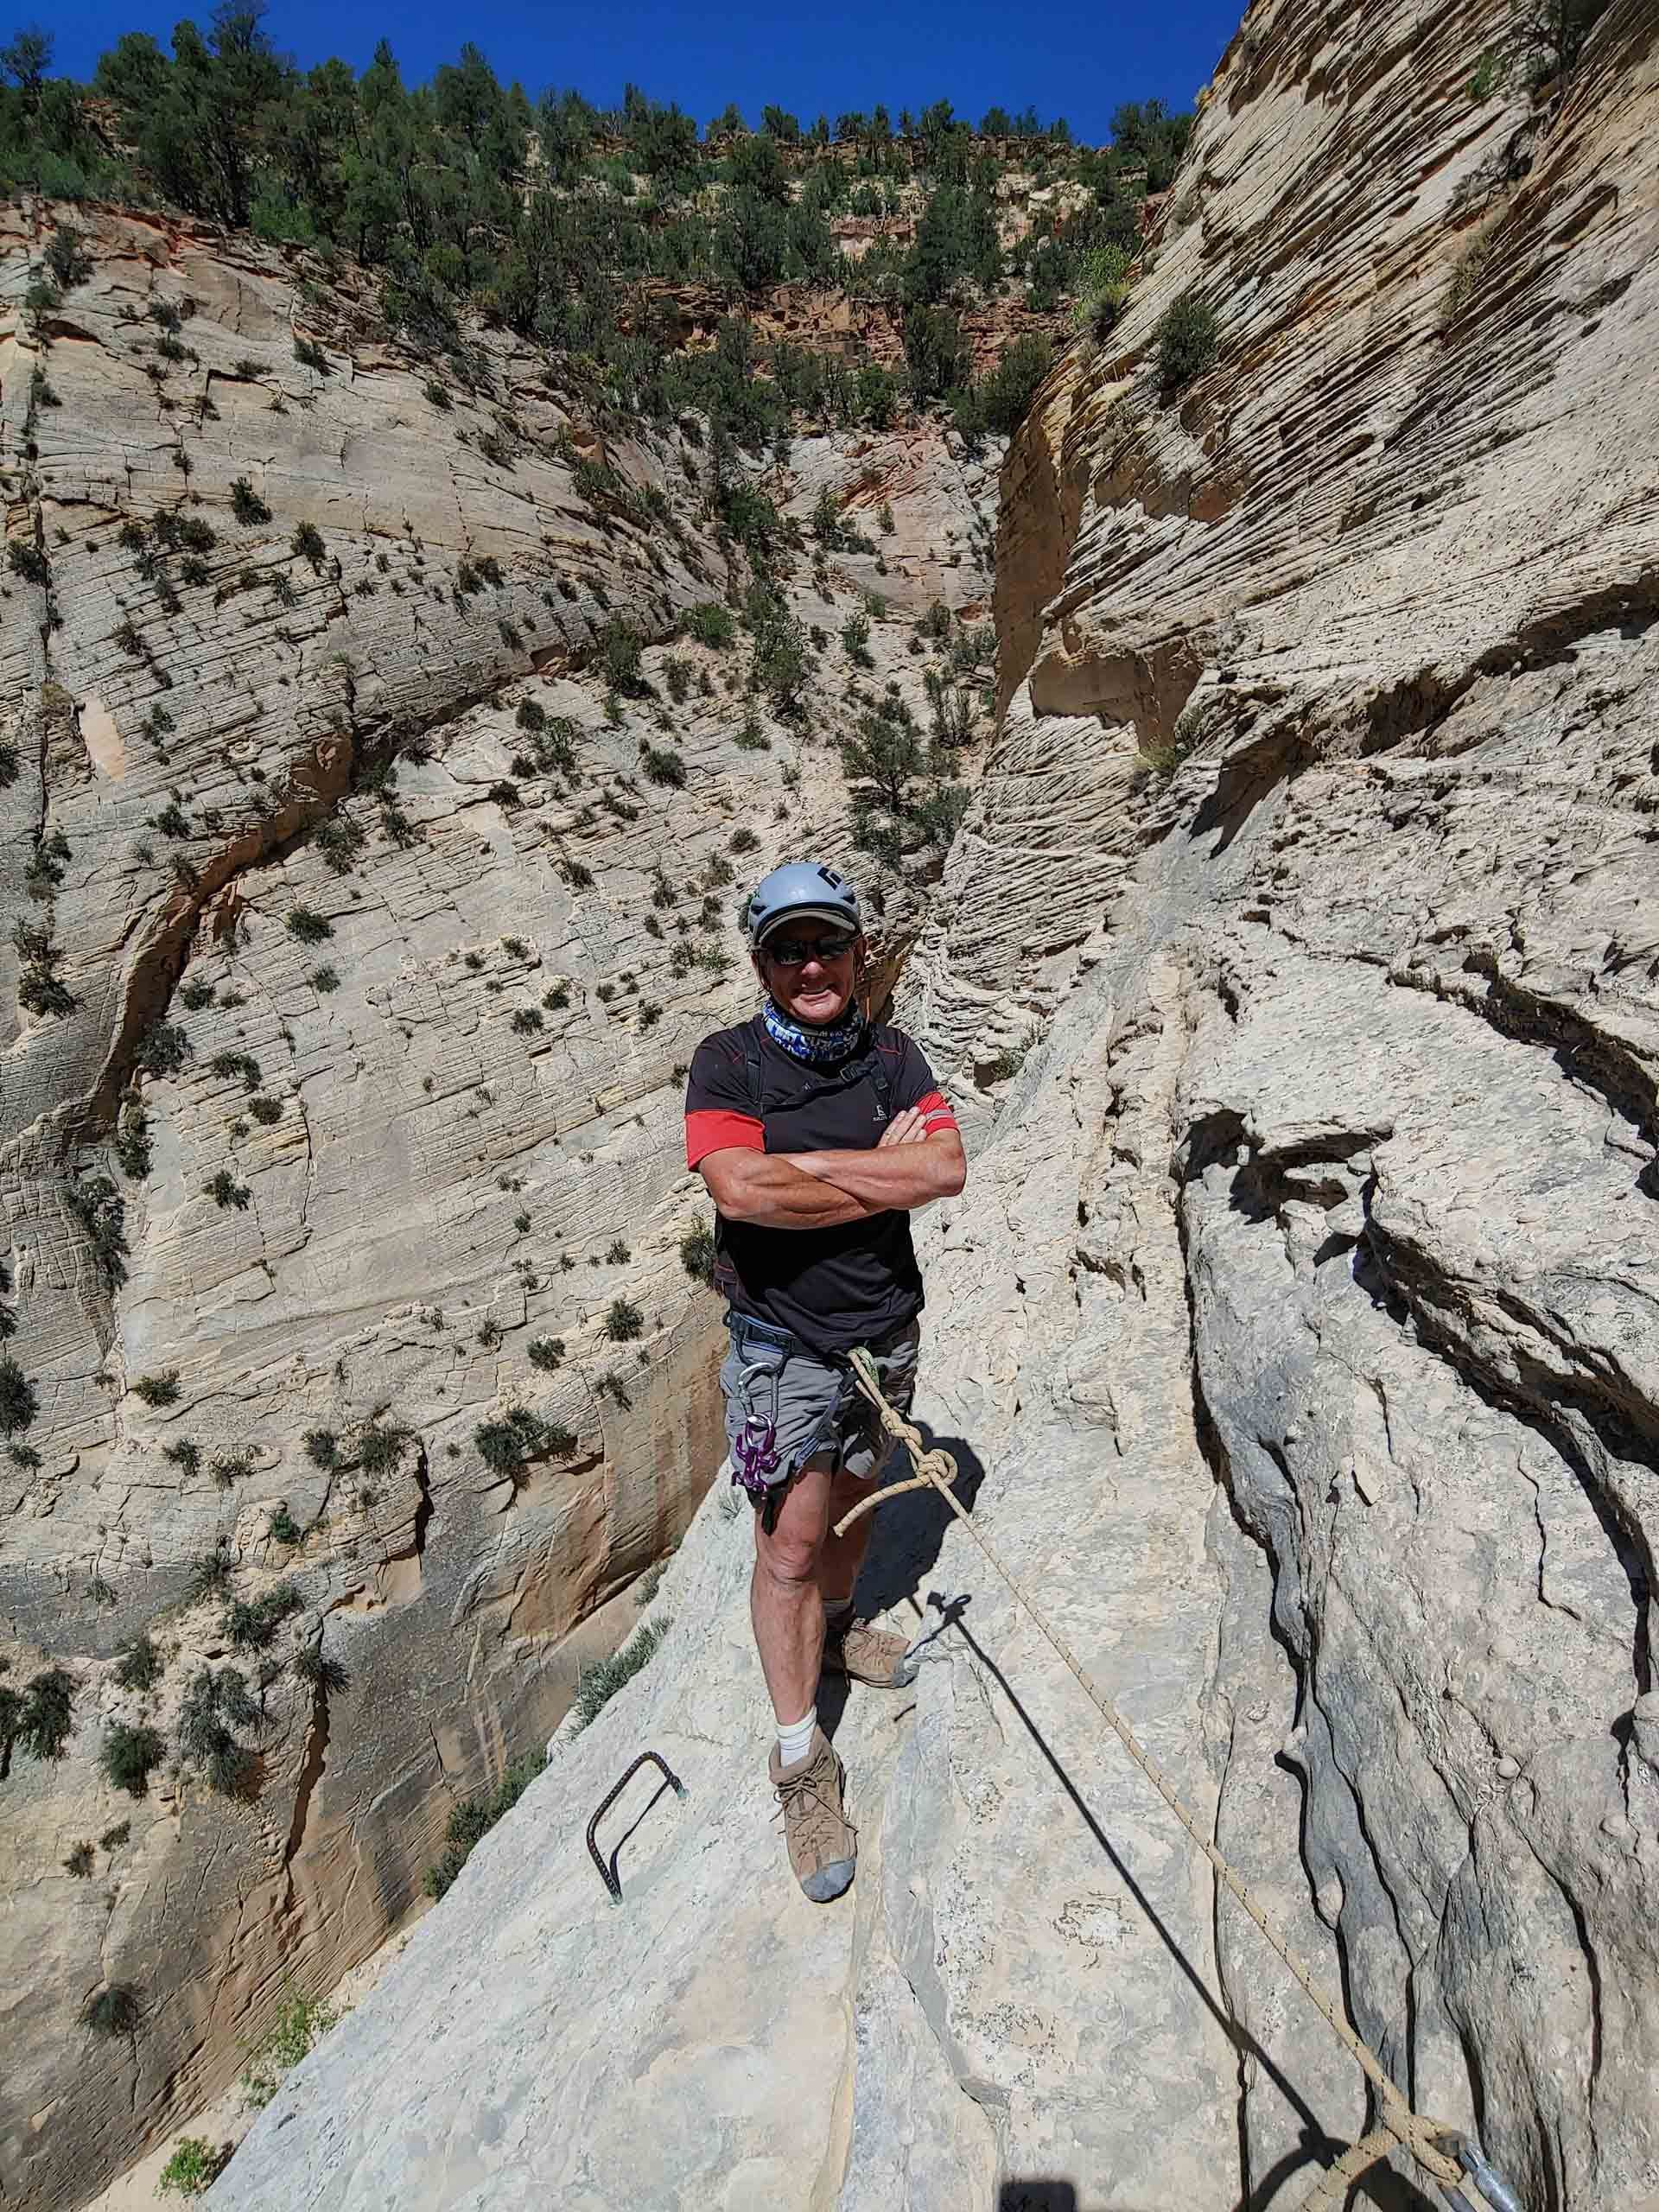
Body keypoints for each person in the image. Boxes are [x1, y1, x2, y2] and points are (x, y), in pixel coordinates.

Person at [684, 861, 967, 1902]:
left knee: (852, 1500)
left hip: (884, 1330)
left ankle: (840, 1640)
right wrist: (870, 1168)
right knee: (790, 1547)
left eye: (829, 946)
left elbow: (945, 1169)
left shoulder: (893, 1053)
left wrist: (807, 1176)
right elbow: (742, 1193)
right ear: (761, 963)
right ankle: (802, 1763)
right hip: (784, 1344)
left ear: (858, 952)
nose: (812, 965)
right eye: (789, 949)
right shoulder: (730, 1063)